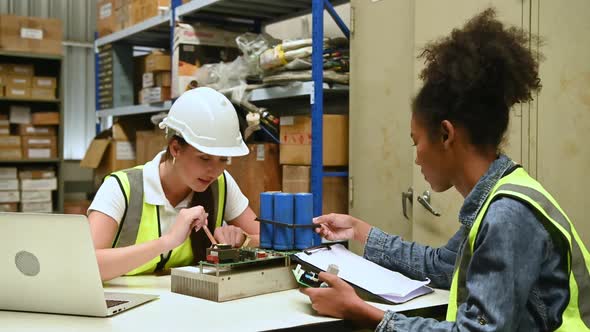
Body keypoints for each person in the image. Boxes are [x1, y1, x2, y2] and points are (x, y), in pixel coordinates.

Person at [301, 8, 590, 331]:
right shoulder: (499, 196)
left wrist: (364, 313)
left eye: (416, 142)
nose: (417, 159)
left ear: (446, 134)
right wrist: (358, 230)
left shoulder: (507, 215)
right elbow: (442, 265)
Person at [88, 87, 259, 281]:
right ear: (176, 148)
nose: (215, 170)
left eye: (223, 159)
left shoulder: (221, 184)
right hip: (123, 306)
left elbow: (272, 242)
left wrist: (244, 239)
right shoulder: (120, 188)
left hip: (187, 304)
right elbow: (86, 265)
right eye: (204, 158)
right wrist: (167, 242)